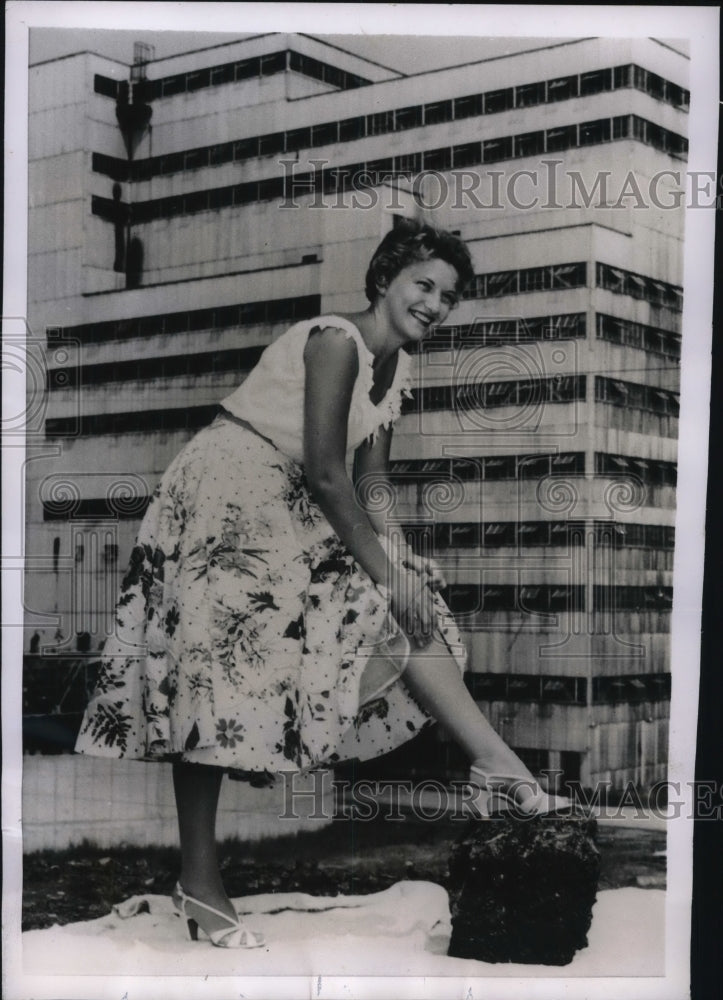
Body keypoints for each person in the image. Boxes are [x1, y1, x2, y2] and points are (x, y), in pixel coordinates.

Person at [75, 218, 570, 950]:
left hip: (297, 499)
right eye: (422, 286)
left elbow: (370, 482)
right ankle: (201, 884)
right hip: (229, 493)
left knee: (411, 611)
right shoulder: (335, 340)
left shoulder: (396, 366)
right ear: (383, 281)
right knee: (213, 680)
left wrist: (400, 559)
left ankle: (497, 767)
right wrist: (382, 571)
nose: (434, 303)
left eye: (448, 296)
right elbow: (325, 470)